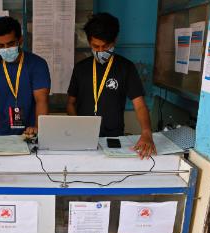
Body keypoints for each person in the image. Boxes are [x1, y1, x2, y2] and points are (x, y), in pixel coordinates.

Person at [66, 13, 156, 159]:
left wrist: (146, 132)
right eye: (96, 46)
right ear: (89, 42)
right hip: (83, 137)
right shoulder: (80, 68)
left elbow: (139, 105)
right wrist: (77, 126)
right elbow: (70, 103)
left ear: (115, 41)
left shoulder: (126, 67)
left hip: (114, 138)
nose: (101, 51)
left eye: (106, 46)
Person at [0, 16, 50, 138]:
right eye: (1, 46)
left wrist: (37, 128)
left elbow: (41, 100)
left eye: (10, 44)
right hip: (3, 136)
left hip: (31, 135)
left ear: (20, 40)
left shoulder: (37, 65)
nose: (6, 49)